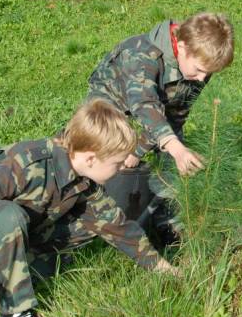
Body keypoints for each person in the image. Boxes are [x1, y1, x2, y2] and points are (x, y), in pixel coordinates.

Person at [0, 99, 177, 317]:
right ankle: (14, 315)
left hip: (25, 232)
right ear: (91, 158)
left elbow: (118, 227)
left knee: (92, 224)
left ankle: (2, 274)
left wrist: (162, 268)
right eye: (117, 162)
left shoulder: (84, 181)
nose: (122, 167)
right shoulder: (23, 165)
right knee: (5, 214)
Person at [86, 12, 234, 240]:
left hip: (154, 112)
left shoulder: (198, 66)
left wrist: (142, 149)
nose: (203, 79)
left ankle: (167, 223)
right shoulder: (141, 55)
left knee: (175, 161)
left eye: (209, 73)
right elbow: (144, 105)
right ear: (182, 47)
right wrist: (168, 147)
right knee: (106, 158)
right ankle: (97, 218)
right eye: (200, 70)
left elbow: (175, 115)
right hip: (111, 108)